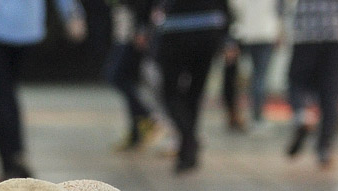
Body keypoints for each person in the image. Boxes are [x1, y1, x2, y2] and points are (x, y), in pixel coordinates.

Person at [0, 0, 87, 182]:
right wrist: (72, 15)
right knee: (8, 95)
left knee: (1, 97)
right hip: (29, 27)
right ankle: (16, 157)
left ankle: (11, 164)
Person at [150, 0, 231, 173]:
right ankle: (189, 147)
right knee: (194, 93)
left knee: (170, 94)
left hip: (174, 32)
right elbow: (223, 6)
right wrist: (227, 38)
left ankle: (188, 140)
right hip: (207, 32)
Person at [285, 0, 338, 168]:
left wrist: (284, 24)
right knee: (331, 94)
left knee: (297, 83)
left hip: (305, 35)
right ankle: (324, 148)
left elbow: (281, 6)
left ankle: (302, 115)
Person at [105, 0, 162, 151]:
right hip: (123, 30)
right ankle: (136, 131)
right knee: (124, 78)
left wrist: (142, 29)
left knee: (116, 76)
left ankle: (147, 117)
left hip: (132, 33)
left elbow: (144, 5)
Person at [222, 0, 284, 131]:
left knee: (234, 76)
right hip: (264, 32)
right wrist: (279, 31)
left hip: (243, 32)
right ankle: (256, 117)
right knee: (259, 77)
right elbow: (279, 10)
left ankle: (235, 114)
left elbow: (233, 8)